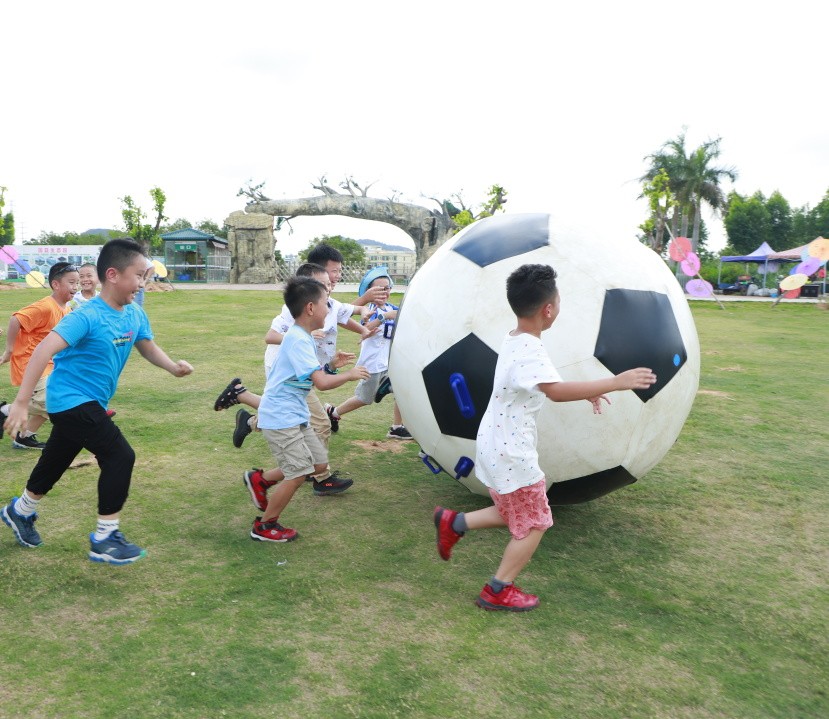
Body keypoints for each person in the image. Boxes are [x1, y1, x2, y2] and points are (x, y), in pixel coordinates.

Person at [433, 264, 657, 612]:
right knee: (536, 521)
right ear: (548, 309)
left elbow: (545, 385)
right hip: (511, 451)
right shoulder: (530, 350)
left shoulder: (515, 338)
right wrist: (616, 381)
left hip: (496, 442)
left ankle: (454, 523)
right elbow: (555, 391)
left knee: (514, 508)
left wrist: (587, 392)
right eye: (559, 301)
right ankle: (497, 589)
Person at [1, 238, 193, 564]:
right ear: (113, 275)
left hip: (89, 401)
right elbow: (43, 350)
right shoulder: (86, 316)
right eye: (138, 276)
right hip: (70, 399)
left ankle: (20, 510)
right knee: (120, 455)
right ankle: (105, 537)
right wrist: (20, 403)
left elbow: (146, 346)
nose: (142, 283)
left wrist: (173, 368)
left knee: (57, 459)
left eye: (145, 277)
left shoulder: (134, 314)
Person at [245, 275, 368, 542]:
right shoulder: (298, 339)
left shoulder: (302, 337)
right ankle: (264, 526)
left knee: (318, 463)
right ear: (310, 308)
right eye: (326, 303)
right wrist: (349, 375)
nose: (329, 309)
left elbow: (311, 377)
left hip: (295, 414)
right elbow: (321, 384)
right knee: (298, 473)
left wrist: (332, 366)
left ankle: (261, 480)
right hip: (281, 416)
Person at [325, 267, 413, 440]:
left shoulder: (392, 308)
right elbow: (365, 328)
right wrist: (384, 317)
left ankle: (396, 427)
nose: (384, 292)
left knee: (401, 391)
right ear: (369, 291)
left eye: (387, 288)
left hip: (388, 364)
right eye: (379, 289)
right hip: (371, 365)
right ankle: (333, 412)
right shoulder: (369, 310)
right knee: (365, 399)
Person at [0, 262, 80, 449]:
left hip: (50, 363)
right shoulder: (45, 306)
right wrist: (9, 351)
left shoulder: (67, 309)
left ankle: (23, 437)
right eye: (71, 282)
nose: (76, 287)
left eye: (77, 283)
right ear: (55, 284)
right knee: (52, 401)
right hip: (30, 361)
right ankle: (4, 410)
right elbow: (16, 319)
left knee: (53, 401)